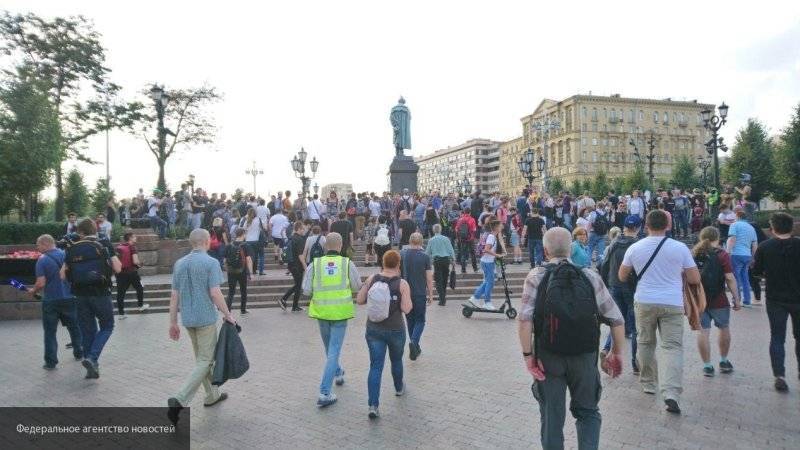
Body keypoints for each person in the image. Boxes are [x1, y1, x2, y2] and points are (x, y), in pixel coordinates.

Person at [518, 227, 625, 450]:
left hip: (549, 356)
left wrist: (528, 356)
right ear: (570, 249)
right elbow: (616, 319)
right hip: (585, 355)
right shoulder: (590, 275)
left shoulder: (536, 276)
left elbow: (525, 319)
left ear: (546, 251)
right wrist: (617, 353)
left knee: (552, 417)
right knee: (588, 412)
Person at [619, 210, 701, 414]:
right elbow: (694, 279)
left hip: (645, 300)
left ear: (646, 226)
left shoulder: (635, 247)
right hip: (672, 302)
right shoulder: (680, 248)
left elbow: (621, 276)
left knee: (646, 343)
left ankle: (648, 383)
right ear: (668, 225)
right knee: (672, 347)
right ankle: (671, 392)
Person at [167, 228, 235, 425]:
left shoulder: (179, 263)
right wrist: (228, 314)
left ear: (191, 242)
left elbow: (174, 296)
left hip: (188, 318)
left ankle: (212, 395)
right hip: (205, 317)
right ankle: (179, 399)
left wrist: (173, 322)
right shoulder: (211, 263)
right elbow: (215, 293)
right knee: (205, 360)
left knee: (202, 359)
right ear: (206, 242)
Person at [302, 232, 362, 407]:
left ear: (325, 246)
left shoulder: (315, 264)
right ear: (341, 244)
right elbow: (358, 285)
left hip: (321, 312)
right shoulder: (346, 263)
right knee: (333, 350)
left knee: (330, 349)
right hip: (340, 312)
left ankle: (338, 371)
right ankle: (324, 392)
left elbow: (306, 290)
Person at [62, 218, 122, 380]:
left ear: (79, 232)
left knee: (87, 331)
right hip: (101, 292)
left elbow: (63, 275)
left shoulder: (72, 248)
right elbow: (118, 267)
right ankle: (92, 358)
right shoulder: (103, 244)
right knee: (107, 325)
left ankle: (91, 368)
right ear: (95, 229)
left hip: (80, 294)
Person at [751, 212, 800, 392]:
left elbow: (756, 272)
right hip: (798, 297)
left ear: (772, 228)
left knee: (777, 336)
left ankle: (779, 375)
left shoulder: (765, 247)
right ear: (791, 226)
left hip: (775, 298)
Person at [692, 226, 741, 377]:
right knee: (724, 328)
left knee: (703, 332)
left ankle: (707, 366)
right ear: (717, 238)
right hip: (719, 298)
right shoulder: (722, 255)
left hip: (699, 299)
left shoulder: (694, 254)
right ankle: (724, 361)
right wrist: (736, 298)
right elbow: (730, 278)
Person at [30, 234, 83, 369]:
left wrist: (33, 291)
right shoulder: (66, 254)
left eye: (38, 245)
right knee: (75, 327)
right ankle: (79, 352)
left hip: (51, 301)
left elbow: (41, 283)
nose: (37, 248)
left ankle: (51, 362)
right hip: (70, 297)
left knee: (50, 332)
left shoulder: (42, 260)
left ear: (45, 244)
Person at [599, 215, 641, 374]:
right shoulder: (638, 245)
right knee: (636, 327)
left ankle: (606, 349)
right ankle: (635, 364)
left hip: (614, 286)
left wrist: (606, 284)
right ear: (638, 228)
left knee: (617, 322)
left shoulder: (614, 243)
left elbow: (603, 264)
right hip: (632, 289)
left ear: (624, 227)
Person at [400, 233, 433, 360]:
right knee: (420, 320)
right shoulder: (425, 257)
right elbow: (429, 278)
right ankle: (414, 342)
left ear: (409, 241)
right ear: (421, 242)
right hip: (419, 293)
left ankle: (415, 346)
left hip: (405, 293)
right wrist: (430, 294)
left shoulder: (402, 255)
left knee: (410, 320)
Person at [467, 220, 504, 310]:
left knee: (488, 282)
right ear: (496, 227)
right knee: (490, 282)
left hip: (487, 261)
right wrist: (497, 255)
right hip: (487, 262)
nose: (502, 226)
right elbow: (486, 249)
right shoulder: (491, 236)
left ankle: (475, 298)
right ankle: (487, 302)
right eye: (500, 225)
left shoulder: (493, 236)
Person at [726, 206, 758, 307]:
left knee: (735, 278)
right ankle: (747, 301)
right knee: (745, 278)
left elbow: (732, 239)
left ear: (737, 217)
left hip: (736, 254)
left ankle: (736, 300)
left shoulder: (734, 225)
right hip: (747, 255)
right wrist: (753, 258)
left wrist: (727, 252)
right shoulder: (751, 228)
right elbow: (754, 245)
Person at [115, 232, 149, 319]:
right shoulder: (132, 247)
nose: (136, 238)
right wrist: (140, 264)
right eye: (134, 237)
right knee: (139, 288)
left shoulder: (119, 247)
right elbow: (135, 261)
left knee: (120, 293)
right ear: (130, 238)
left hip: (121, 273)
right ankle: (140, 306)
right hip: (132, 273)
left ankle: (121, 314)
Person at [425, 224, 456, 306]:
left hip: (437, 260)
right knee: (445, 279)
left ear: (433, 230)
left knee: (438, 280)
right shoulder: (446, 239)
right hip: (446, 260)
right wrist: (453, 259)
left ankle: (442, 299)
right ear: (440, 230)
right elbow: (451, 249)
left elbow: (427, 252)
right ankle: (443, 297)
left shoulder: (431, 240)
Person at [225, 228, 253, 315]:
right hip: (242, 271)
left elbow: (225, 260)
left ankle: (227, 311)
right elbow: (248, 259)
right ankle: (243, 310)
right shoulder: (245, 245)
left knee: (231, 292)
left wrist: (228, 269)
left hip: (231, 272)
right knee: (243, 291)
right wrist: (251, 273)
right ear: (243, 234)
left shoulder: (229, 245)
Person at [281, 221, 308, 312]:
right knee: (298, 285)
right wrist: (305, 266)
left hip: (291, 264)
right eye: (303, 229)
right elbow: (300, 255)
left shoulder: (291, 238)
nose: (304, 231)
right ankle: (284, 299)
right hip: (297, 265)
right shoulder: (300, 239)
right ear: (299, 229)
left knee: (298, 285)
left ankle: (294, 306)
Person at [241, 208, 267, 276]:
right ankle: (261, 271)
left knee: (249, 257)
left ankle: (249, 271)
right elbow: (264, 228)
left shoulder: (246, 221)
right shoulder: (258, 219)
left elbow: (243, 230)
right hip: (256, 240)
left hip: (248, 241)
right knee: (261, 256)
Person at [455, 209, 478, 274]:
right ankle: (475, 268)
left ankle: (463, 269)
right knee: (472, 254)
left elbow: (456, 229)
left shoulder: (460, 219)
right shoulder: (472, 219)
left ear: (464, 212)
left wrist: (458, 237)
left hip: (462, 239)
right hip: (470, 239)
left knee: (463, 254)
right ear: (470, 213)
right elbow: (474, 229)